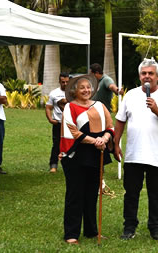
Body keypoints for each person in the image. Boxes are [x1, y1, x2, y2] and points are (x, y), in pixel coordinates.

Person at [113, 58, 158, 241]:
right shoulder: (131, 96)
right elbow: (120, 120)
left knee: (155, 194)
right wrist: (116, 143)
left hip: (156, 155)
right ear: (139, 76)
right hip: (134, 154)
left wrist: (157, 110)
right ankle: (129, 227)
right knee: (131, 193)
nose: (147, 76)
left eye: (151, 73)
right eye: (144, 73)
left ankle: (155, 228)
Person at [59, 74, 114, 245]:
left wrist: (104, 138)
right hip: (76, 156)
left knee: (92, 194)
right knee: (75, 194)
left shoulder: (99, 106)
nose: (86, 90)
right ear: (74, 90)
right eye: (81, 87)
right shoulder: (69, 107)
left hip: (96, 154)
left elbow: (110, 126)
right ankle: (71, 234)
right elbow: (72, 132)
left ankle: (91, 231)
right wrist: (95, 141)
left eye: (88, 87)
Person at [45, 73, 69, 173]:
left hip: (70, 123)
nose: (65, 83)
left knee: (70, 144)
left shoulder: (74, 93)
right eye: (63, 82)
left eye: (67, 82)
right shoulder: (54, 93)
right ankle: (53, 165)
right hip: (58, 123)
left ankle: (69, 164)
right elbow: (48, 107)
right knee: (56, 144)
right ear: (59, 82)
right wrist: (50, 119)